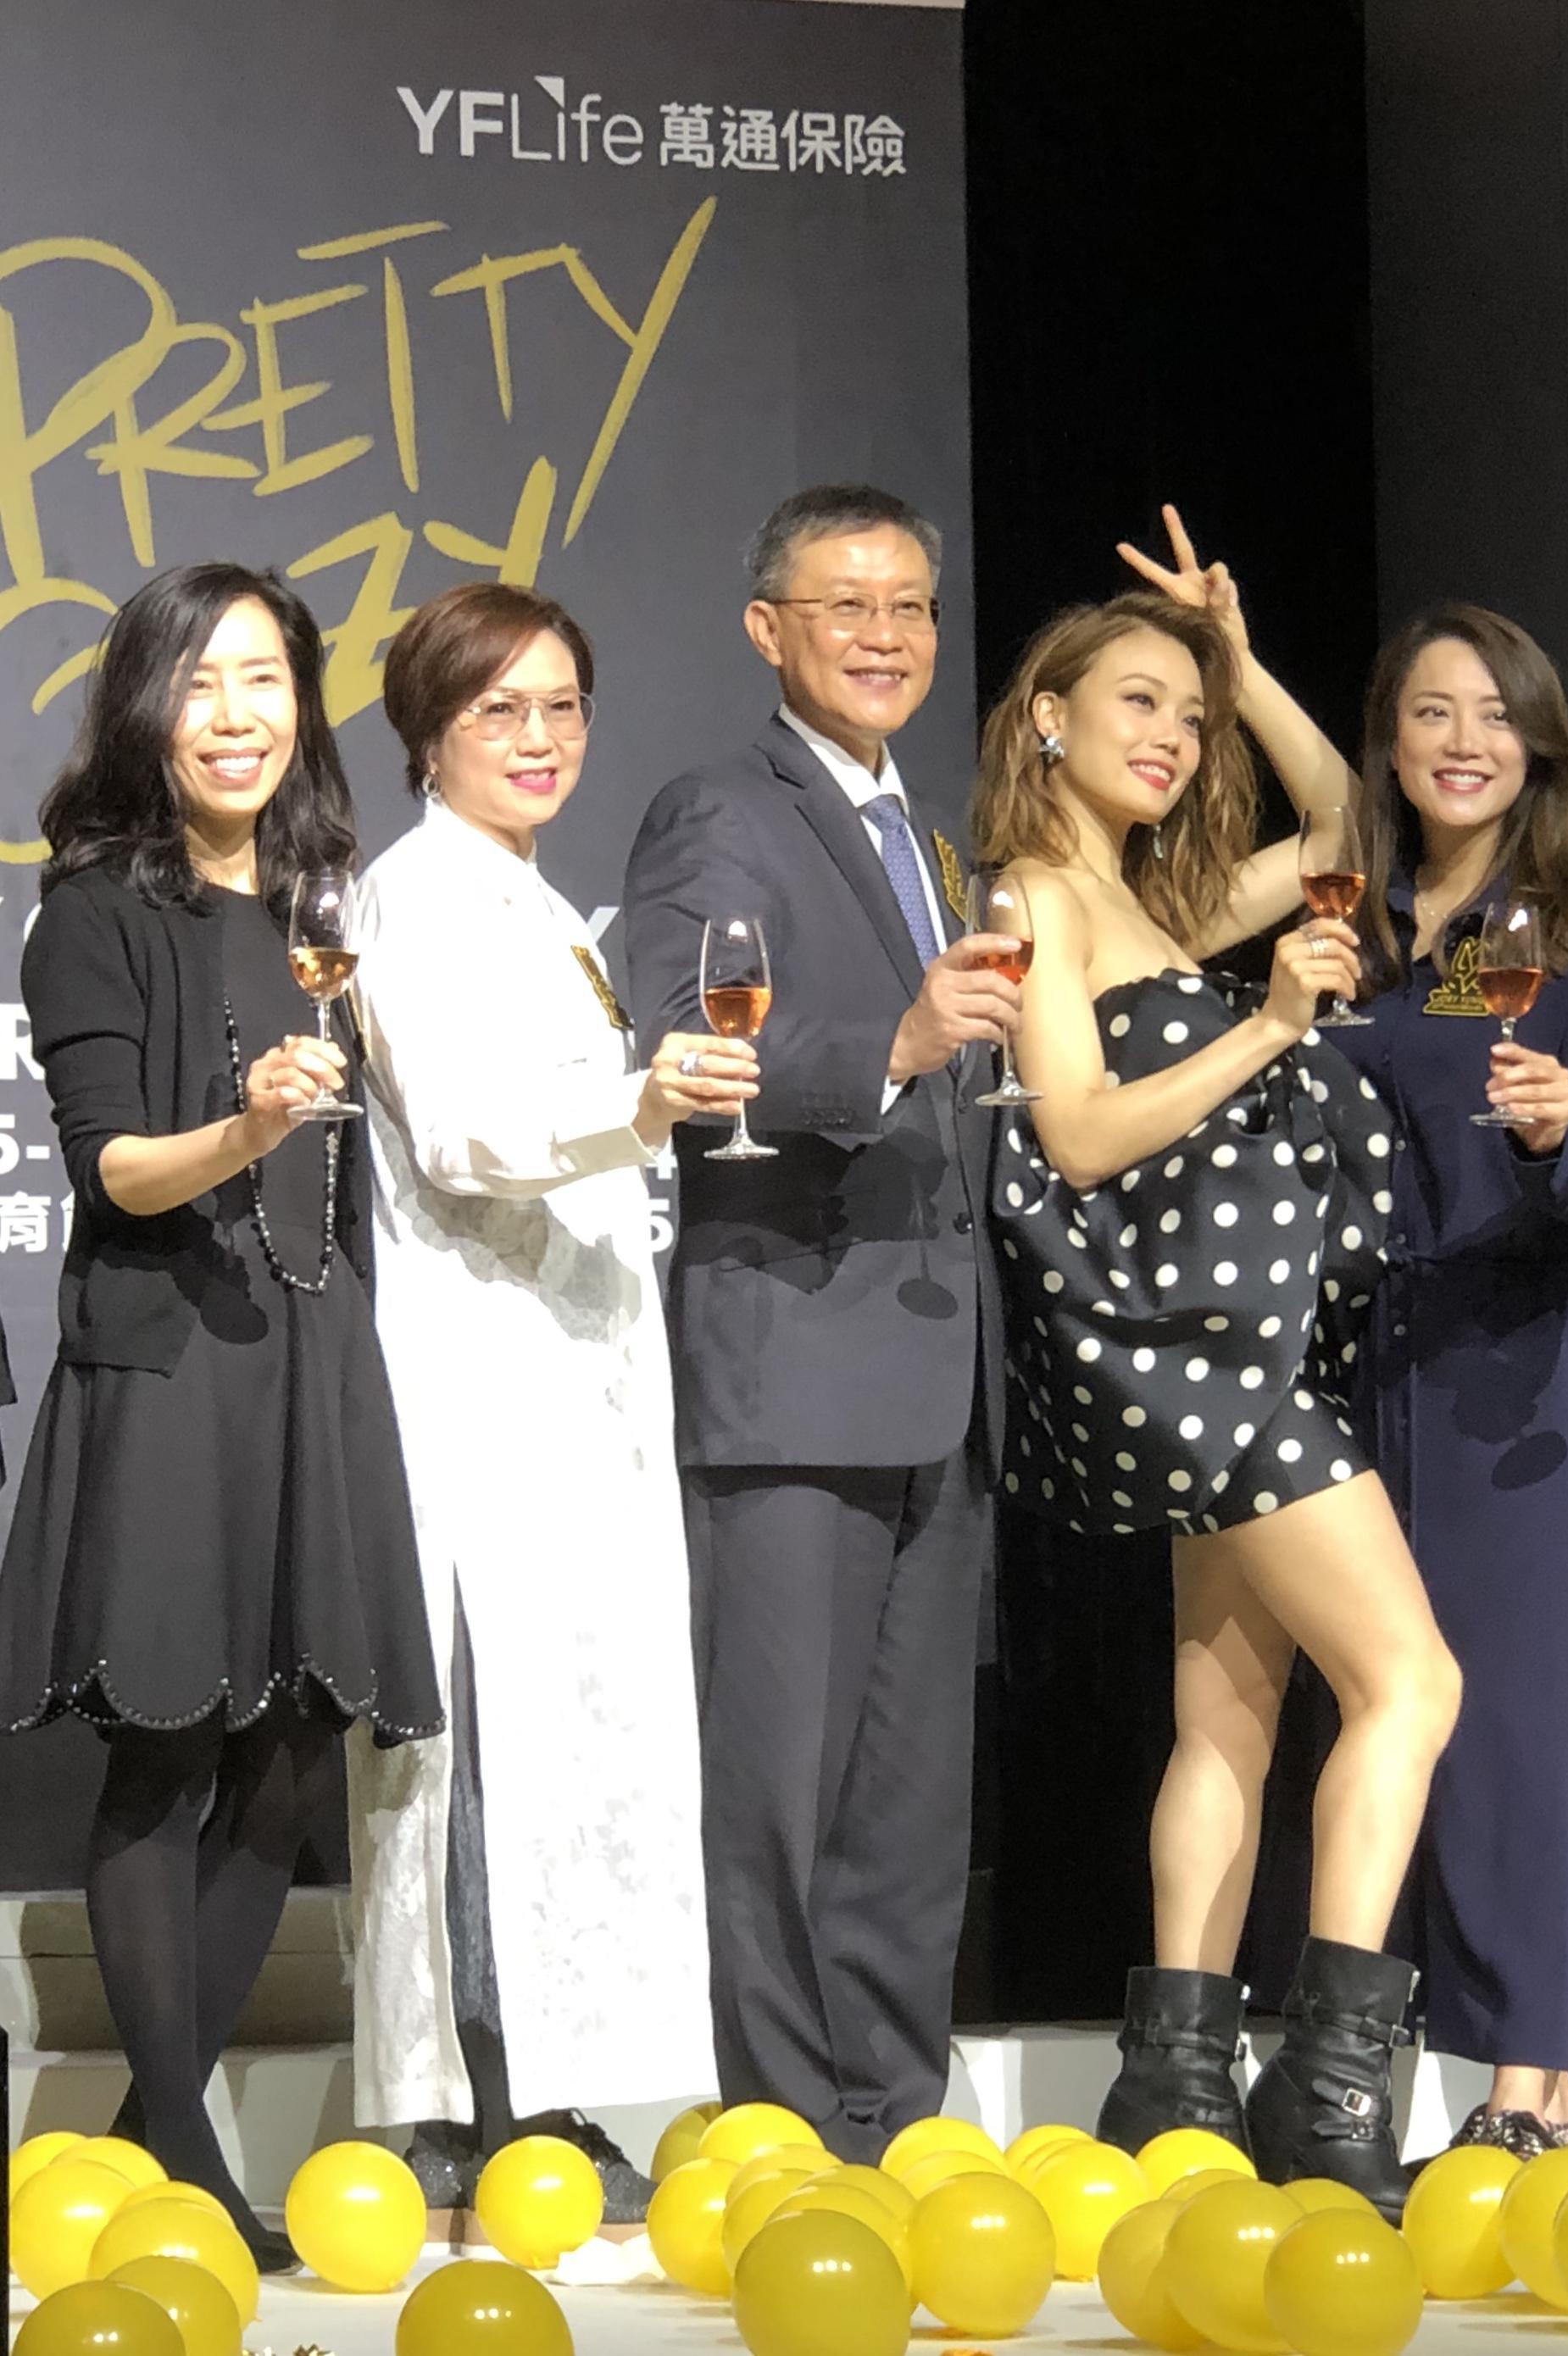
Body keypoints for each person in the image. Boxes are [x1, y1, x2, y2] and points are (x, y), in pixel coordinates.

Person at [1121, 512, 1568, 2153]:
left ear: (1538, 741)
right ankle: (1330, 2088)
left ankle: (1531, 2085)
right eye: (1431, 712)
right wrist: (1224, 652)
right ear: (1388, 741)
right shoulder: (1346, 911)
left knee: (1516, 1716)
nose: (1464, 742)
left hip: (1508, 1362)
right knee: (1348, 1713)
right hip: (1333, 1363)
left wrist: (1562, 1138)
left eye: (1494, 714)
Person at [975, 585, 1462, 2215]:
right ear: (1047, 715)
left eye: (1186, 719)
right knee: (1410, 1683)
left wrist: (1243, 670)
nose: (1173, 740)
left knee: (1226, 1719)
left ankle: (1175, 2092)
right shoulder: (1042, 895)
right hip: (1191, 1363)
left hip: (1230, 1360)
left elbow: (1339, 817)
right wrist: (1267, 1024)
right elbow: (1081, 1131)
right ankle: (1332, 2093)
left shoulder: (1143, 902)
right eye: (1138, 704)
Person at [0, 565, 441, 2264]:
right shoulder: (96, 910)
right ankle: (183, 2143)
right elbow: (113, 1167)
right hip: (171, 1360)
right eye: (202, 684)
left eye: (266, 678)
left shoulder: (323, 910)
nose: (240, 714)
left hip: (308, 1358)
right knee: (167, 1743)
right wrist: (245, 1125)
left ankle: (152, 2122)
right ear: (146, 711)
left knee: (282, 1764)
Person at [343, 585, 755, 2216]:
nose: (538, 740)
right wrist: (640, 1102)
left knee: (573, 1743)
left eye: (562, 707)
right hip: (479, 1383)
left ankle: (546, 2088)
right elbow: (461, 1136)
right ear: (427, 732)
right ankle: (458, 2094)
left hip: (577, 1381)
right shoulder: (410, 901)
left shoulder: (545, 907)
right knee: (475, 1736)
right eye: (498, 710)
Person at [622, 484, 1014, 2159]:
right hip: (786, 1355)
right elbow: (679, 1042)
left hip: (935, 1366)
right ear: (765, 629)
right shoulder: (718, 808)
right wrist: (892, 1048)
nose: (884, 636)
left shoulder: (927, 839)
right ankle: (784, 2125)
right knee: (774, 1794)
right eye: (846, 605)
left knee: (908, 1800)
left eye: (911, 606)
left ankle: (891, 2117)